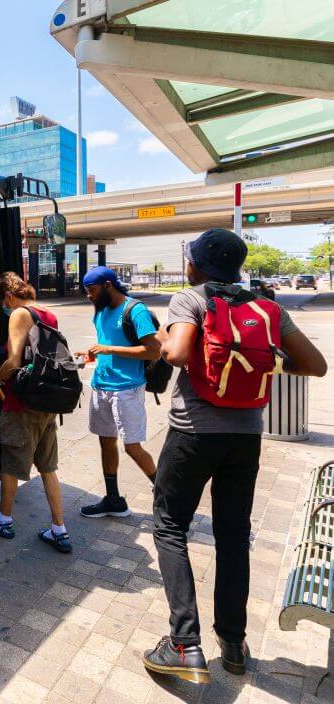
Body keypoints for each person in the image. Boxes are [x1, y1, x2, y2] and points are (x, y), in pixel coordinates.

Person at [142, 229, 327, 684]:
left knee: (169, 526)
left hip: (192, 436)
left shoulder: (191, 299)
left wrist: (164, 338)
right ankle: (233, 643)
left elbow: (179, 353)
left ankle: (184, 644)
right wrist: (265, 364)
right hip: (245, 437)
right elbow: (316, 365)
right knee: (232, 535)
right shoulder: (268, 308)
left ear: (198, 264)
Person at [0, 272, 70, 553]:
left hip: (21, 404)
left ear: (8, 295)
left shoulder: (19, 314)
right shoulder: (47, 314)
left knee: (11, 463)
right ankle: (59, 529)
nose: (3, 306)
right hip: (46, 403)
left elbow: (14, 361)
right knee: (48, 467)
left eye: (1, 299)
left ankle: (3, 520)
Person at [77, 266, 160, 518]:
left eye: (91, 290)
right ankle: (113, 500)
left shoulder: (135, 310)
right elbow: (108, 344)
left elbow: (153, 351)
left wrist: (109, 350)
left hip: (127, 389)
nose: (88, 296)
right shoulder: (101, 311)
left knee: (132, 447)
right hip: (101, 386)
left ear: (108, 285)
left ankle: (168, 499)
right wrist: (90, 355)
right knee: (106, 442)